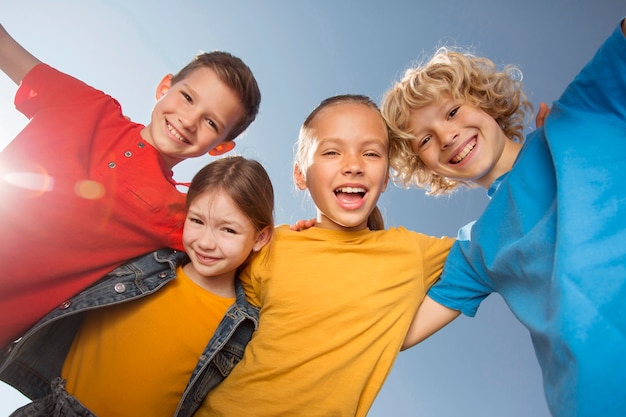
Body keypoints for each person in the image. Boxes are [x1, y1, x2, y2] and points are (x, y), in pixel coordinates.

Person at [380, 18, 626, 417]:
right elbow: (398, 334)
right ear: (424, 166)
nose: (447, 136)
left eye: (454, 111)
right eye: (424, 139)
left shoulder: (580, 114)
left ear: (484, 100)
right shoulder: (474, 249)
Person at [0, 23, 261, 348]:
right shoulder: (86, 104)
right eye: (187, 97)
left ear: (220, 147)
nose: (189, 120)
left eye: (211, 123)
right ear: (165, 86)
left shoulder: (178, 212)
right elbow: (6, 48)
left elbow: (253, 249)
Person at [197, 94, 454, 417]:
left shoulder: (411, 253)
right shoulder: (271, 245)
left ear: (386, 177)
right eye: (332, 151)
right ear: (300, 174)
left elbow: (493, 246)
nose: (353, 166)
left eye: (371, 153)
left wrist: (537, 153)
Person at [1, 156, 274, 417]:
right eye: (197, 221)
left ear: (260, 237)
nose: (205, 242)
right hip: (55, 407)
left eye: (228, 230)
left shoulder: (242, 329)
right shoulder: (142, 265)